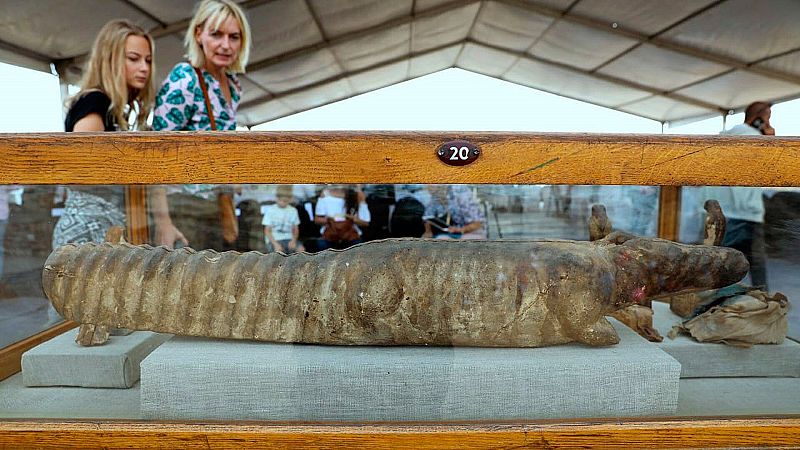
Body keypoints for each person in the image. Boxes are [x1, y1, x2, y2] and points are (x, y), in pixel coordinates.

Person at [150, 0, 252, 251]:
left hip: (215, 207)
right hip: (185, 208)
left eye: (234, 37)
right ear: (198, 34)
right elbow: (155, 154)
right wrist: (163, 222)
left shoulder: (232, 84)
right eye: (216, 34)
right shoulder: (185, 78)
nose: (226, 45)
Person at [53, 19, 154, 249]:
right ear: (110, 60)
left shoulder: (113, 108)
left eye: (148, 60)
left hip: (101, 227)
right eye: (133, 58)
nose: (145, 68)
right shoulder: (95, 101)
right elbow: (84, 170)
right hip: (87, 231)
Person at [705, 101, 773, 289]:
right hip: (748, 213)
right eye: (767, 118)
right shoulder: (756, 138)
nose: (768, 123)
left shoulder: (725, 138)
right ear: (758, 117)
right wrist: (771, 139)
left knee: (723, 265)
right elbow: (770, 170)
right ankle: (763, 305)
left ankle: (716, 304)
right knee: (757, 266)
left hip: (727, 213)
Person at [315, 186, 371, 250]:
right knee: (322, 245)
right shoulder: (325, 194)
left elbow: (365, 222)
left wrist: (351, 218)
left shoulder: (356, 194)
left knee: (358, 245)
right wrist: (330, 219)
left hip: (351, 236)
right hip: (330, 235)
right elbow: (317, 220)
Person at [262, 185, 304, 254]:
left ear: (290, 199)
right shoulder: (271, 210)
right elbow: (267, 231)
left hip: (289, 239)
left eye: (285, 201)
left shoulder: (293, 211)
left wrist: (293, 241)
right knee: (278, 253)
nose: (282, 203)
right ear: (276, 198)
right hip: (275, 239)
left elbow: (296, 229)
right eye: (280, 200)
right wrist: (275, 244)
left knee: (301, 250)